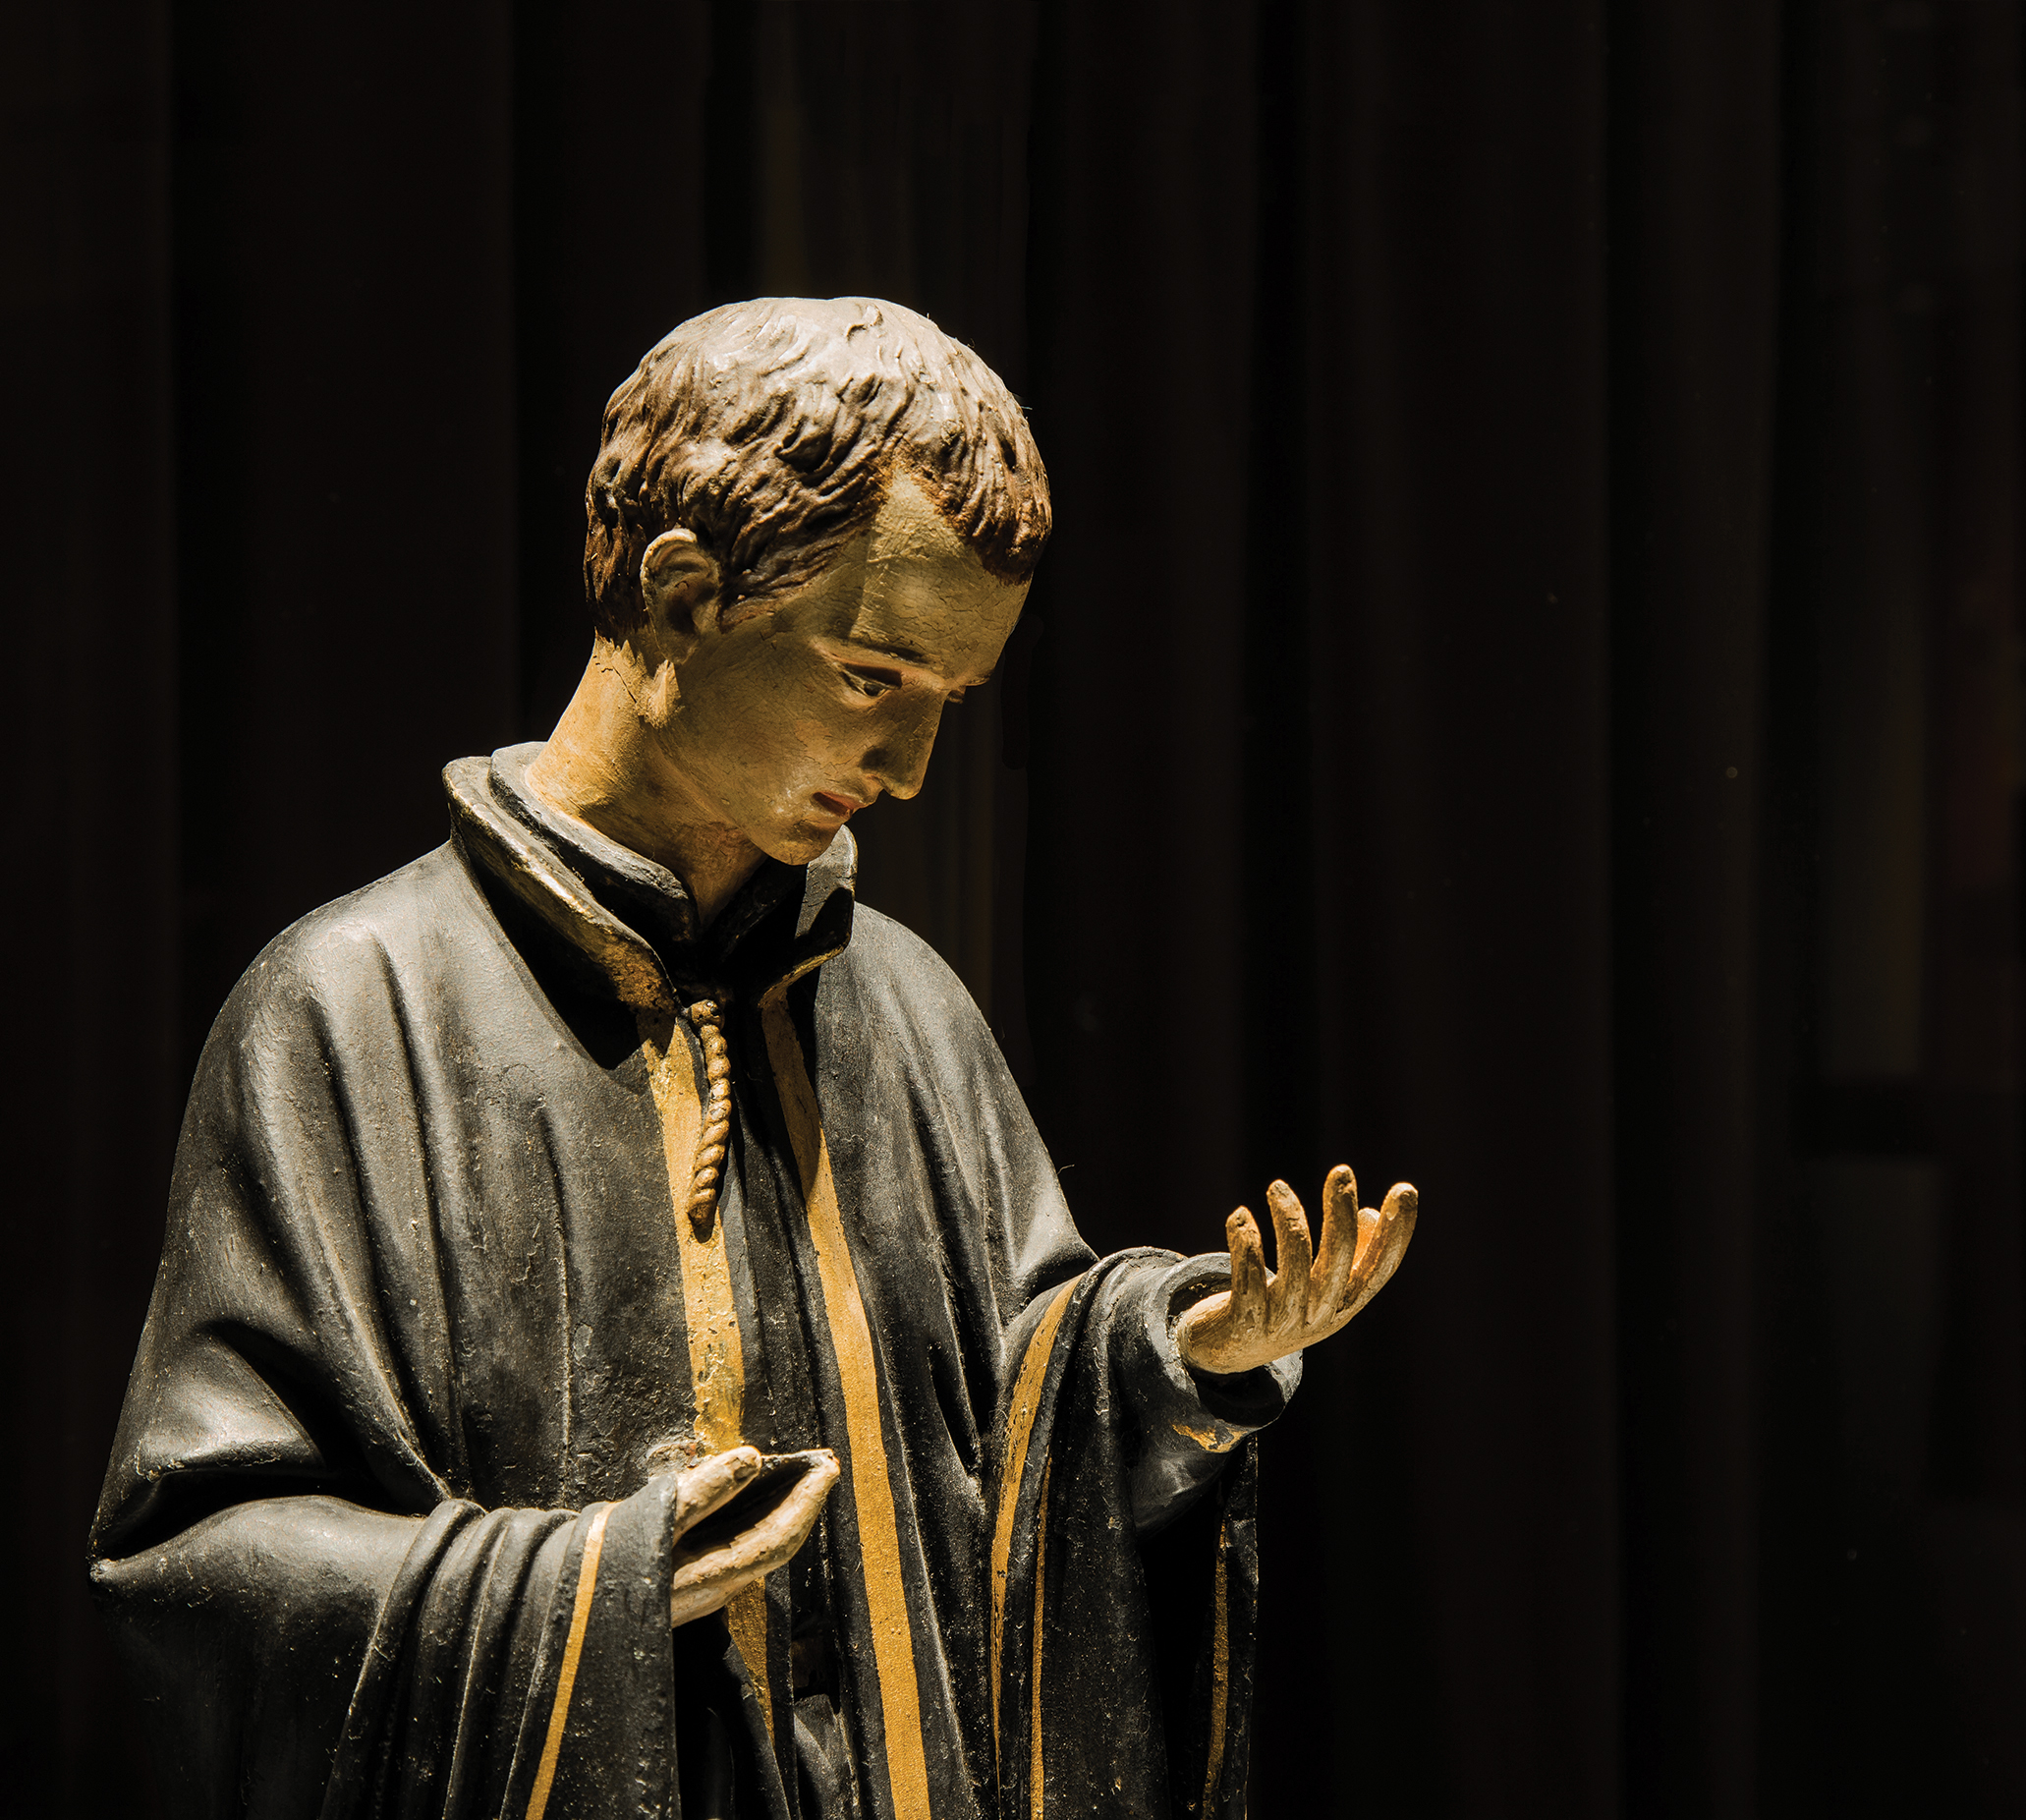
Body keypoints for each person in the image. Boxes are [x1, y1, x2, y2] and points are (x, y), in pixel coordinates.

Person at [89, 297, 1416, 1820]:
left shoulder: (900, 1004)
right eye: (872, 676)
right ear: (679, 596)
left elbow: (1015, 1392)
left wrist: (1168, 1359)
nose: (912, 771)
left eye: (954, 703)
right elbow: (193, 1558)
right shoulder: (352, 1012)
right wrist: (583, 1588)